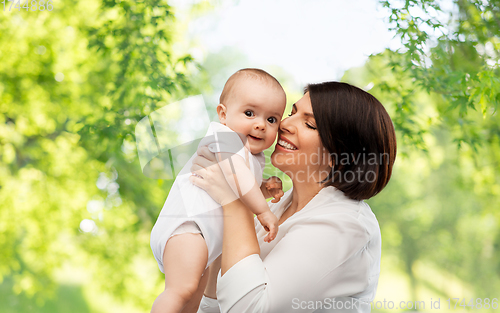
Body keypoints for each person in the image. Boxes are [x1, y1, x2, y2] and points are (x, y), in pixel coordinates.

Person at [190, 81, 397, 313]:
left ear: (341, 155)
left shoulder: (345, 225)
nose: (285, 124)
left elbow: (250, 309)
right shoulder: (278, 206)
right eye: (292, 113)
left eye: (309, 124)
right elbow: (212, 305)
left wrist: (233, 201)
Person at [150, 68, 287, 313]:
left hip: (205, 238)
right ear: (223, 114)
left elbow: (240, 188)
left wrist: (264, 189)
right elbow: (238, 178)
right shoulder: (224, 137)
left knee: (192, 301)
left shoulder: (252, 156)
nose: (260, 125)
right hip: (189, 227)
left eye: (271, 119)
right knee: (180, 290)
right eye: (249, 113)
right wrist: (264, 210)